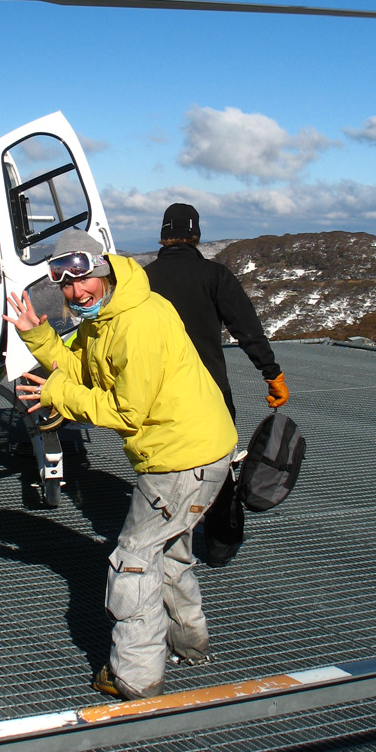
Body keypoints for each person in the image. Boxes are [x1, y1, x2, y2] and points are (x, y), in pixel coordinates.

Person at [5, 229, 236, 701]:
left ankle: (135, 676)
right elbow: (79, 368)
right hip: (198, 451)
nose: (75, 291)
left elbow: (128, 411)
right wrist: (38, 335)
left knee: (132, 561)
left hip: (180, 458)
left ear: (104, 270)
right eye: (65, 284)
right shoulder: (106, 316)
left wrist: (54, 395)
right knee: (167, 552)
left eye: (83, 277)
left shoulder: (138, 323)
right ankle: (189, 643)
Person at [144, 203, 288, 565]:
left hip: (156, 394)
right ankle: (221, 544)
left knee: (163, 467)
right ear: (195, 235)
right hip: (210, 393)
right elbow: (246, 328)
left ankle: (163, 538)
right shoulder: (214, 275)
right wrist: (271, 374)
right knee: (217, 466)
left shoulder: (144, 280)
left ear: (163, 235)